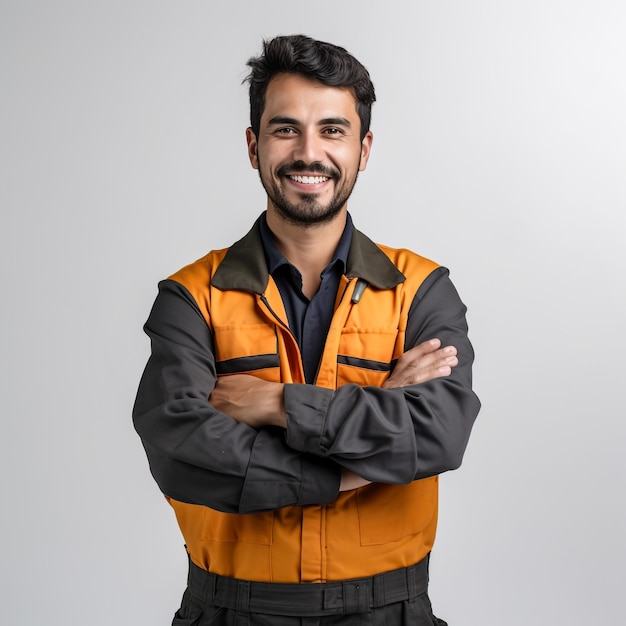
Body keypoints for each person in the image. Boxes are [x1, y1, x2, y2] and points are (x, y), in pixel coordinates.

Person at [133, 34, 481, 625]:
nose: (309, 152)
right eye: (286, 128)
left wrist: (275, 403)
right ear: (254, 145)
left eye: (333, 130)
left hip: (388, 612)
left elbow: (440, 434)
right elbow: (181, 451)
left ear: (363, 149)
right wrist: (357, 455)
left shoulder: (420, 290)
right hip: (231, 612)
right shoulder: (190, 297)